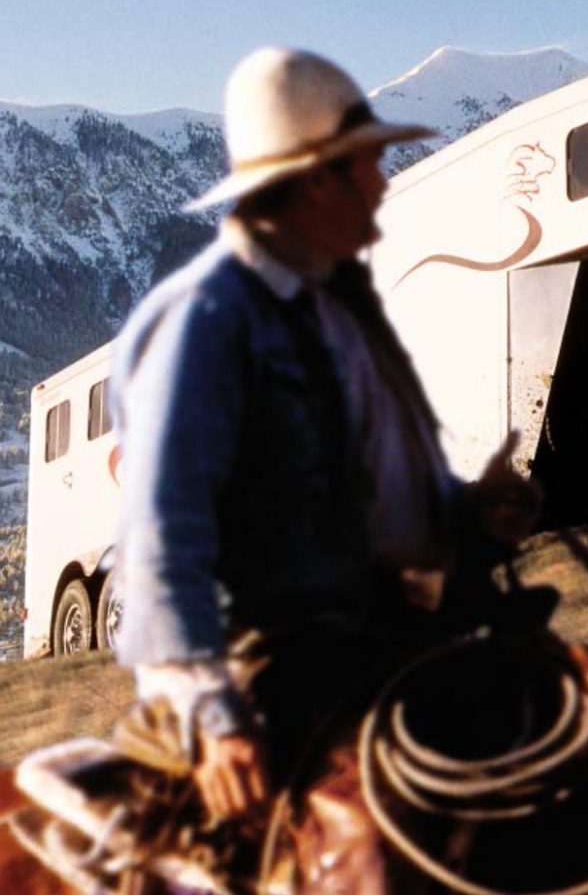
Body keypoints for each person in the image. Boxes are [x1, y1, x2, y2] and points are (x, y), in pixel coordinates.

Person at [109, 46, 541, 829]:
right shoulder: (207, 321)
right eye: (366, 164)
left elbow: (365, 487)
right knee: (376, 855)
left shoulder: (333, 310)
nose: (382, 181)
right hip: (266, 671)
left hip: (368, 638)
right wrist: (218, 719)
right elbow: (162, 540)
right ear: (316, 182)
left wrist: (470, 511)